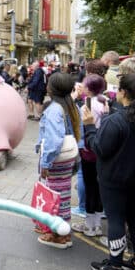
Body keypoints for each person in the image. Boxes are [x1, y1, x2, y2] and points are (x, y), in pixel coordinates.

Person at [82, 73, 135, 270]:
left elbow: (99, 148)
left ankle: (114, 265)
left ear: (123, 92)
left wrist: (89, 127)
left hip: (114, 178)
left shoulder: (117, 120)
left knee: (116, 219)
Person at [35, 72, 81, 249]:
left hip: (57, 159)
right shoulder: (71, 106)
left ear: (52, 89)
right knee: (63, 195)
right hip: (67, 158)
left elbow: (54, 141)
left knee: (55, 197)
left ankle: (59, 235)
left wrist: (46, 163)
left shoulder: (54, 109)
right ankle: (60, 230)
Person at [71, 73, 108, 236]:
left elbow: (80, 127)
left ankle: (89, 225)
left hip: (88, 151)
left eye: (85, 85)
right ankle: (97, 224)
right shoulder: (105, 102)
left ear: (89, 88)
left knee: (90, 186)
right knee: (99, 188)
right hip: (102, 150)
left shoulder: (87, 105)